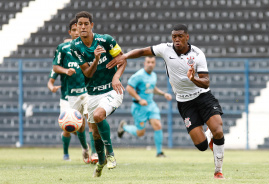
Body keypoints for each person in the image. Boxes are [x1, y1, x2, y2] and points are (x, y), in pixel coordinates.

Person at [107, 24, 225, 179]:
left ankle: (218, 170)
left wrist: (193, 79)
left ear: (187, 37)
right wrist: (125, 56)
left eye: (180, 36)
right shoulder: (165, 49)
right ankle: (207, 137)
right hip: (185, 102)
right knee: (202, 146)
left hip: (203, 96)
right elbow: (142, 51)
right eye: (174, 36)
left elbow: (206, 81)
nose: (176, 39)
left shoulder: (197, 54)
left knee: (218, 129)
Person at [70, 11, 126, 177]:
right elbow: (87, 73)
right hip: (92, 93)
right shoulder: (75, 47)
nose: (83, 27)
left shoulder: (106, 40)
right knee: (94, 133)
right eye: (80, 24)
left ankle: (110, 154)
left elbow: (122, 59)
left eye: (86, 23)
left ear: (91, 25)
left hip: (112, 89)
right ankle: (101, 162)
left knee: (99, 114)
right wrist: (96, 59)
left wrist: (116, 77)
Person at [49, 18, 97, 164]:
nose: (78, 32)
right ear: (70, 32)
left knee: (91, 121)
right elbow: (55, 68)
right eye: (74, 30)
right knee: (77, 125)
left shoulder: (88, 47)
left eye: (79, 29)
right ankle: (84, 148)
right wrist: (65, 71)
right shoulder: (63, 49)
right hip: (69, 95)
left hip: (87, 92)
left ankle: (94, 153)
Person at [117, 56, 172, 157]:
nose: (150, 64)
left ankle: (159, 152)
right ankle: (124, 127)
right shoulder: (139, 75)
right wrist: (139, 99)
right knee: (140, 133)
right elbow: (129, 88)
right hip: (139, 107)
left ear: (154, 64)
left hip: (151, 105)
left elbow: (152, 88)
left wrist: (164, 94)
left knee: (158, 125)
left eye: (152, 62)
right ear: (144, 63)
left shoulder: (153, 75)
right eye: (148, 62)